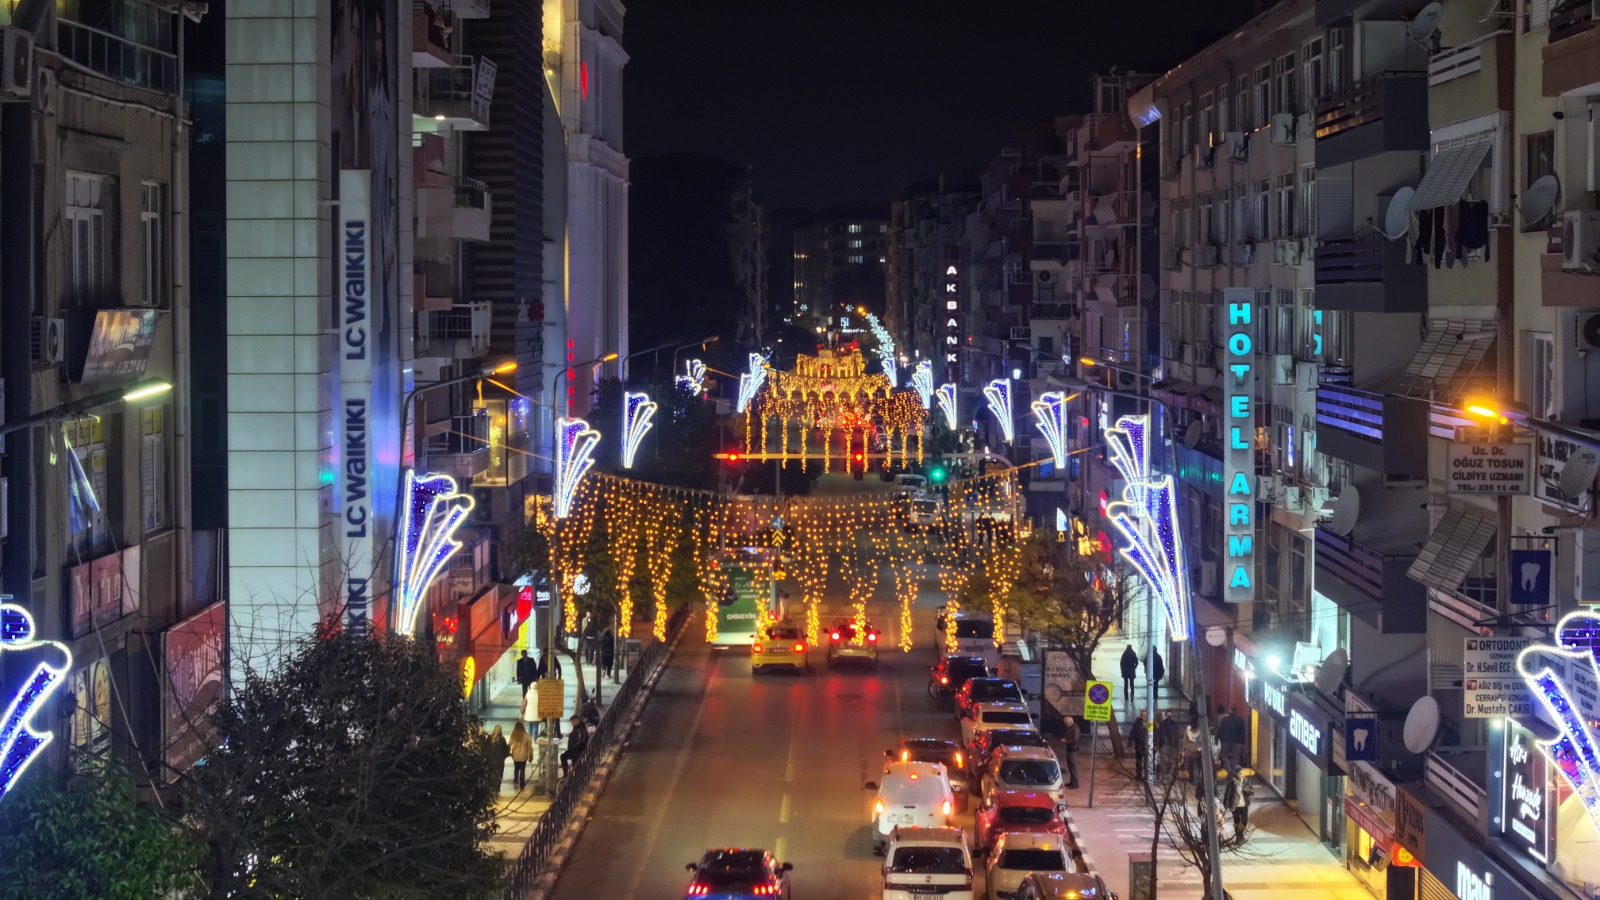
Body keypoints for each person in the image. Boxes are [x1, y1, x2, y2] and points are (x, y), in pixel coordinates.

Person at [1217, 706, 1247, 772]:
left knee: (1224, 756)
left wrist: (1218, 738)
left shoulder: (1225, 720)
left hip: (1226, 741)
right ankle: (1232, 772)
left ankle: (1229, 770)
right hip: (1237, 742)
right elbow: (1243, 732)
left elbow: (1220, 730)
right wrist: (1243, 742)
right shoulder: (1240, 720)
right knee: (1235, 757)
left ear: (1229, 711)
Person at [508, 721, 534, 791]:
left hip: (515, 756)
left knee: (516, 769)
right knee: (522, 770)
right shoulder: (526, 735)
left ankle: (516, 782)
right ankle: (522, 785)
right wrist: (531, 756)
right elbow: (530, 747)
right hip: (523, 756)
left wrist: (509, 752)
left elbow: (509, 744)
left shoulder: (513, 735)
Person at [1225, 771, 1252, 836]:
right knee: (1237, 821)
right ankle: (1238, 836)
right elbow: (1227, 795)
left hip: (1244, 805)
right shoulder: (1231, 784)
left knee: (1244, 821)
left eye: (1243, 773)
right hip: (1235, 805)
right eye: (1240, 773)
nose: (1242, 775)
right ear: (1236, 774)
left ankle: (1240, 833)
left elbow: (1252, 792)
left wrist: (1247, 791)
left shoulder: (1246, 782)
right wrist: (1226, 805)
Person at [1061, 715, 1082, 789]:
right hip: (1070, 750)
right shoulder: (1071, 728)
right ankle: (1072, 782)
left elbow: (1075, 740)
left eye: (1066, 723)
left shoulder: (1075, 729)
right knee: (1070, 767)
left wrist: (1066, 741)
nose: (1065, 724)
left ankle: (1075, 783)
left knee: (1073, 767)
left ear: (1070, 722)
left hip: (1073, 750)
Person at [1129, 709, 1150, 780]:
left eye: (1145, 715)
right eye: (1143, 715)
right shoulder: (1137, 724)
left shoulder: (1148, 723)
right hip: (1138, 745)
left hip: (1147, 746)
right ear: (1141, 716)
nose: (1144, 716)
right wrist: (1130, 743)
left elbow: (1153, 733)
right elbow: (1132, 733)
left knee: (1147, 761)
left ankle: (1146, 776)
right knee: (1139, 762)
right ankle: (1139, 776)